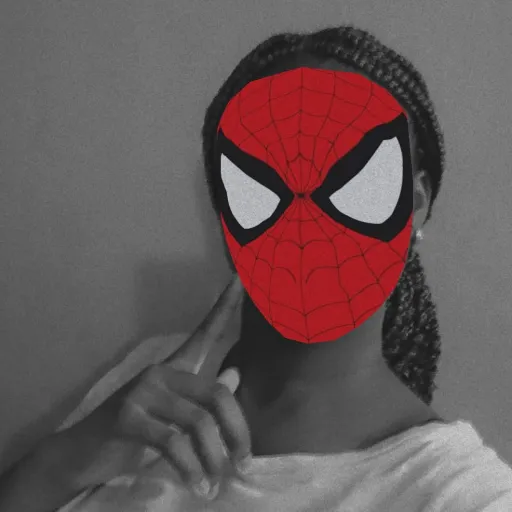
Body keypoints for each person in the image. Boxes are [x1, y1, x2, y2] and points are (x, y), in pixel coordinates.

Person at [1, 24, 511, 512]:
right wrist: (68, 458)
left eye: (355, 184)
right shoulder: (152, 381)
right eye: (259, 188)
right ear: (225, 212)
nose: (307, 224)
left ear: (413, 205)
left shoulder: (461, 495)